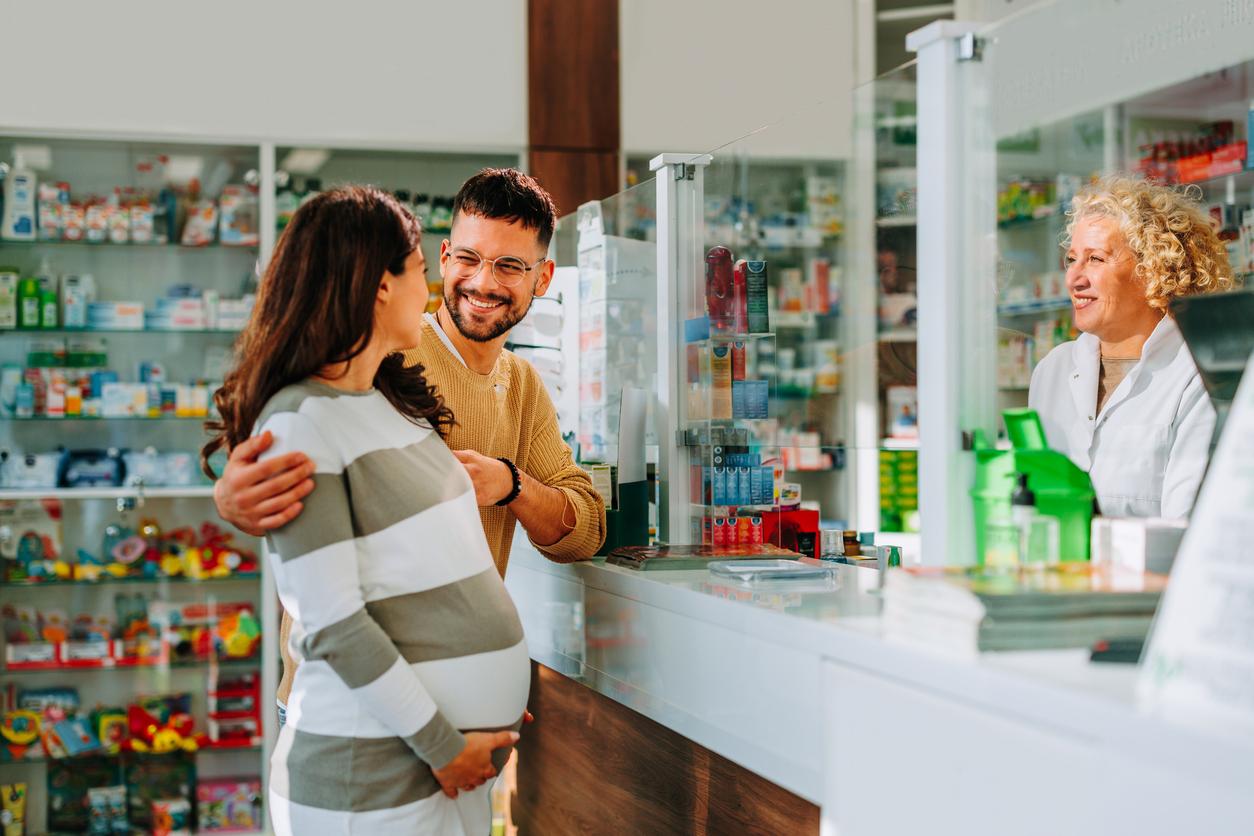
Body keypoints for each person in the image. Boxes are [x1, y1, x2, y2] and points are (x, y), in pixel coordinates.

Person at [211, 169, 605, 712]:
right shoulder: (385, 349)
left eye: (510, 266)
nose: (484, 283)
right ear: (443, 259)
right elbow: (282, 437)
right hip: (357, 712)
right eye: (468, 258)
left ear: (543, 277)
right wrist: (233, 493)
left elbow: (583, 529)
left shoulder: (520, 386)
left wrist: (510, 485)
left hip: (452, 705)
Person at [202, 186, 528, 834]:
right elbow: (334, 624)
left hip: (439, 763)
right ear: (380, 286)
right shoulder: (299, 425)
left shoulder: (387, 397)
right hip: (377, 777)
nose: (430, 290)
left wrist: (482, 687)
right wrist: (447, 743)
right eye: (418, 269)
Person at [1029, 176, 1235, 519]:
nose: (1074, 279)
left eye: (1095, 259)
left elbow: (1184, 525)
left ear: (1154, 269)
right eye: (1072, 259)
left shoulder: (1196, 374)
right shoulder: (1052, 371)